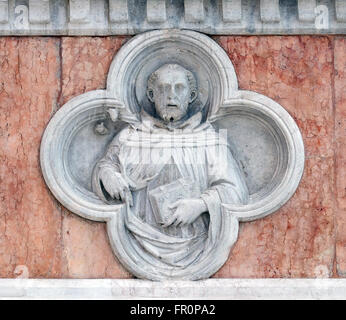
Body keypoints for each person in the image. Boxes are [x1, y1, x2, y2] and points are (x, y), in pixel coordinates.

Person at [92, 64, 248, 270]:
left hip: (194, 241)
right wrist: (107, 175)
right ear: (151, 94)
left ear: (191, 95)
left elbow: (234, 190)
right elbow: (107, 164)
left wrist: (200, 205)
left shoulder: (210, 140)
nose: (170, 96)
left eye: (179, 88)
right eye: (163, 88)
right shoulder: (131, 136)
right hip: (138, 236)